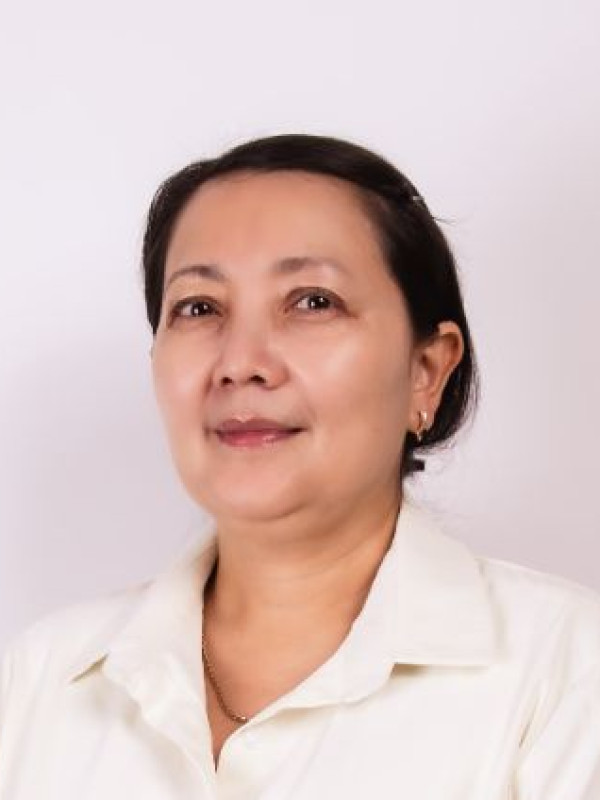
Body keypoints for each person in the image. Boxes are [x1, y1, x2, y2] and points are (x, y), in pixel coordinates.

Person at [1, 134, 599, 799]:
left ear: (426, 371)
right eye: (199, 308)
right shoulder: (39, 683)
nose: (240, 362)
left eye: (313, 301)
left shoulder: (567, 675)